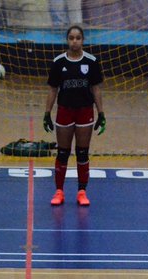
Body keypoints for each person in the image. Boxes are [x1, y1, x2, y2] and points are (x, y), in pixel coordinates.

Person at [42, 24, 105, 208]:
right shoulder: (59, 62)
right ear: (67, 40)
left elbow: (96, 89)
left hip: (85, 110)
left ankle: (82, 191)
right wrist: (47, 113)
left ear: (83, 40)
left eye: (78, 38)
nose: (74, 41)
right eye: (71, 38)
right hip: (64, 110)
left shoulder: (91, 62)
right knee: (63, 152)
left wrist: (101, 113)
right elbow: (53, 90)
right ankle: (59, 191)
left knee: (82, 152)